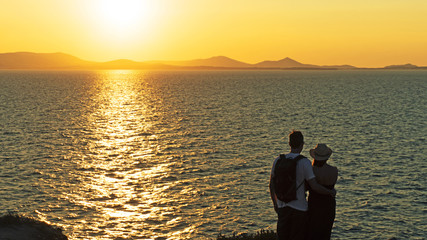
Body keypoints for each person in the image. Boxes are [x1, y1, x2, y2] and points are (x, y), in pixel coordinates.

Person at [269, 131, 336, 240]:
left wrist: (275, 204)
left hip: (282, 207)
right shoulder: (304, 162)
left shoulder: (278, 160)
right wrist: (330, 192)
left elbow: (271, 185)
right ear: (302, 144)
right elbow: (314, 186)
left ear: (289, 144)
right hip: (299, 209)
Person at [307, 144, 338, 240]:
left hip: (314, 205)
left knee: (312, 233)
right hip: (329, 205)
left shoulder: (311, 171)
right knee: (326, 233)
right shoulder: (334, 171)